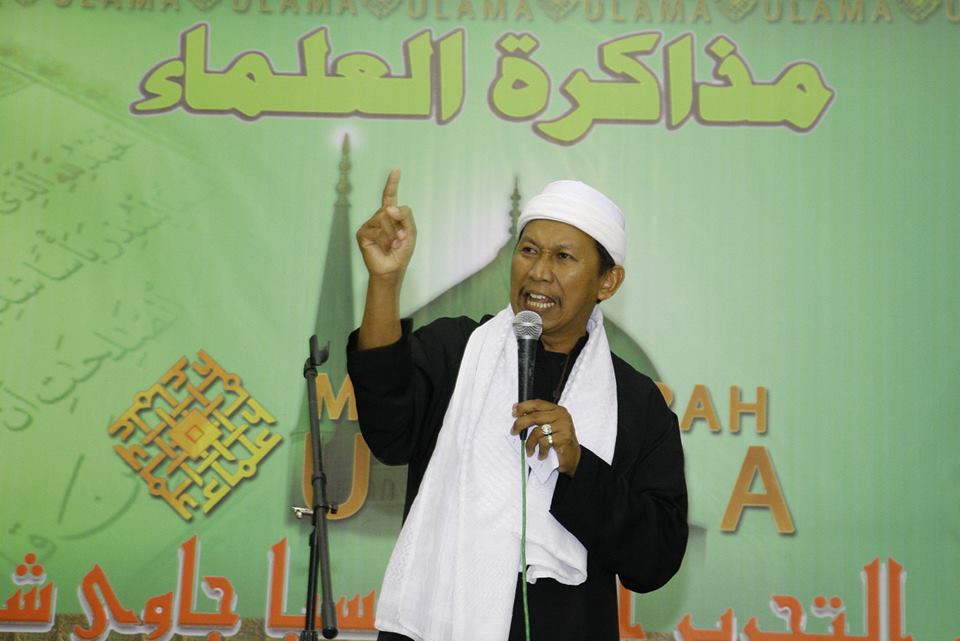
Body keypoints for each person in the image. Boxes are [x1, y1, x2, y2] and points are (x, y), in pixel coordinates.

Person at [347, 169, 687, 641]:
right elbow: (389, 433)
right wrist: (384, 283)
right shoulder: (458, 351)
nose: (539, 271)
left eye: (563, 257)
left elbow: (654, 560)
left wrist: (579, 465)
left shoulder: (636, 402)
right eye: (528, 250)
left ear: (607, 282)